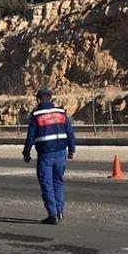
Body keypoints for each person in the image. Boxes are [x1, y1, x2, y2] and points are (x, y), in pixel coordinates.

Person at [22, 88, 76, 225]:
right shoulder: (61, 113)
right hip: (61, 154)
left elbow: (30, 137)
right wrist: (72, 150)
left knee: (47, 184)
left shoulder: (36, 115)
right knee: (57, 182)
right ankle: (59, 211)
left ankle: (53, 215)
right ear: (50, 98)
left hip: (46, 155)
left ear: (38, 99)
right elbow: (70, 132)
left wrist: (26, 153)